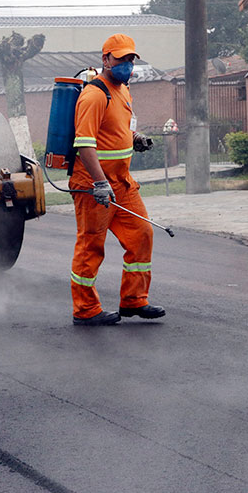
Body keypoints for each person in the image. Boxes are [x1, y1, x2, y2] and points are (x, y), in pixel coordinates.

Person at [69, 33, 165, 326]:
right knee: (91, 246)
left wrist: (136, 138)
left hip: (122, 183)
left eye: (130, 59)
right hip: (94, 186)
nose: (126, 64)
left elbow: (115, 130)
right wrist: (99, 183)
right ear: (105, 59)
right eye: (120, 58)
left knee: (141, 235)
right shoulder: (94, 94)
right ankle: (85, 310)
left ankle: (134, 301)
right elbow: (84, 143)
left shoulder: (122, 90)